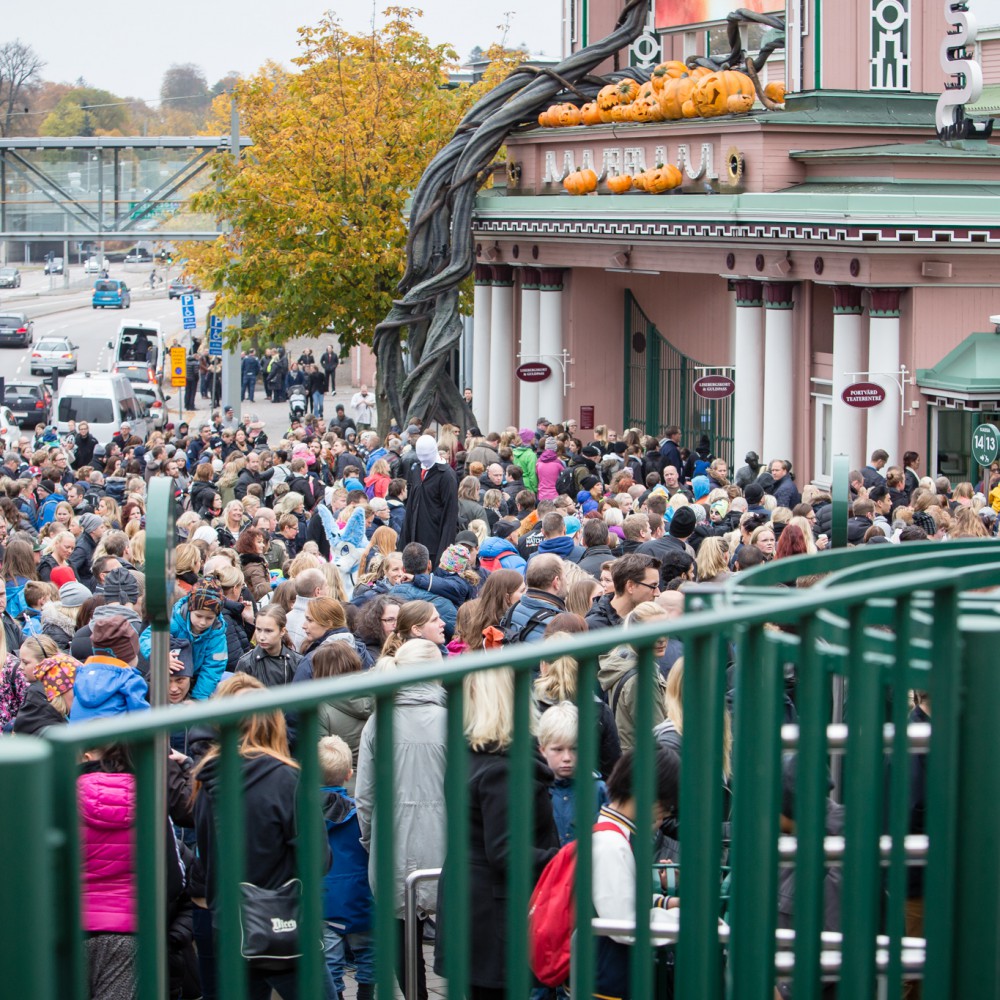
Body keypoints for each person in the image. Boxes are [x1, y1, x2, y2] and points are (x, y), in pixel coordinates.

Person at [193, 673, 336, 1000]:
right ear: (273, 722)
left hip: (228, 927)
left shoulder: (206, 779)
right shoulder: (287, 779)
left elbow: (205, 852)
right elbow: (318, 860)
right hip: (280, 926)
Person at [434, 666, 560, 1000]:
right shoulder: (502, 769)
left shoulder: (471, 756)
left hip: (474, 905)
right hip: (494, 917)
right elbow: (506, 851)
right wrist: (565, 858)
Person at [355, 639, 447, 1000]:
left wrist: (369, 840)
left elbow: (365, 795)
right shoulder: (453, 717)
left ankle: (415, 996)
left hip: (391, 839)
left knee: (399, 933)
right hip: (446, 841)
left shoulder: (380, 721)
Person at [591, 748, 681, 1000]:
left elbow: (620, 900)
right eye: (668, 804)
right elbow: (624, 924)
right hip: (608, 984)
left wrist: (665, 903)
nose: (667, 813)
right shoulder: (612, 843)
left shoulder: (616, 835)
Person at [319, 735, 375, 1000]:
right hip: (361, 897)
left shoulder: (300, 813)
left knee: (329, 961)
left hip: (322, 902)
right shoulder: (360, 814)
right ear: (349, 774)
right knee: (369, 954)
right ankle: (366, 994)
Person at [538, 700, 610, 847]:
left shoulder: (599, 790)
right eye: (558, 750)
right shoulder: (536, 791)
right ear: (543, 750)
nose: (567, 758)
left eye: (574, 749)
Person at [401, 436, 459, 566]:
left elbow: (450, 515)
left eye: (426, 455)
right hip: (414, 540)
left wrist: (443, 552)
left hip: (434, 542)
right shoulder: (416, 470)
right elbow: (410, 505)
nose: (424, 459)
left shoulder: (446, 475)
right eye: (421, 456)